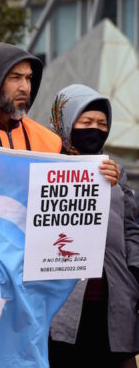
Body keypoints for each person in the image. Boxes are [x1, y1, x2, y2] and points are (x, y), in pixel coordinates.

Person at [47, 84, 139, 368]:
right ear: (65, 121)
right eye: (86, 122)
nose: (95, 130)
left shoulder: (115, 171)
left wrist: (135, 274)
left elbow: (130, 230)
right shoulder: (42, 167)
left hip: (113, 305)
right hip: (61, 308)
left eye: (102, 124)